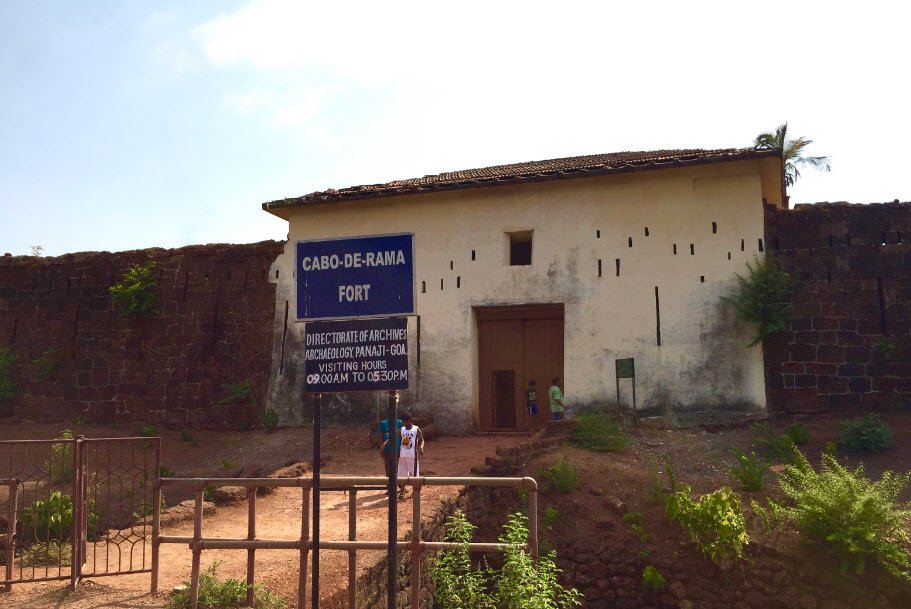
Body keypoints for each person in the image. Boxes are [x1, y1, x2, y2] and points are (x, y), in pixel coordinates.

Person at [397, 413, 424, 499]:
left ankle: (415, 491)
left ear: (409, 421)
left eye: (404, 421)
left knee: (414, 473)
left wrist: (420, 447)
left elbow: (422, 440)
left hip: (412, 455)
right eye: (402, 421)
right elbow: (393, 436)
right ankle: (402, 492)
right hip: (402, 455)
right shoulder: (401, 430)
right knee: (402, 473)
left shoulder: (416, 429)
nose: (403, 423)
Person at [379, 415, 403, 494]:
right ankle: (390, 487)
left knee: (398, 468)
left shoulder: (399, 422)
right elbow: (381, 436)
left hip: (398, 448)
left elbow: (402, 435)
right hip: (387, 448)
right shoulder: (384, 423)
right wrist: (381, 448)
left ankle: (400, 485)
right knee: (388, 467)